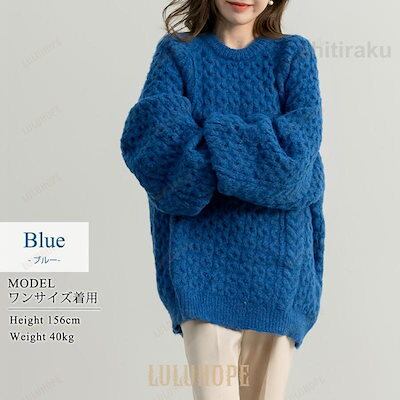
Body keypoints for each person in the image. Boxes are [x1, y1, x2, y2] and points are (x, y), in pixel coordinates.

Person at [120, 0, 326, 398]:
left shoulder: (293, 55)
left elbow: (292, 161)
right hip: (199, 267)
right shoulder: (177, 54)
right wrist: (256, 148)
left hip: (281, 271)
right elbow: (156, 150)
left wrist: (205, 134)